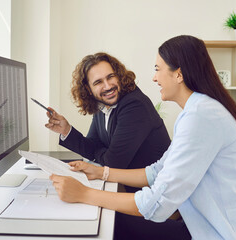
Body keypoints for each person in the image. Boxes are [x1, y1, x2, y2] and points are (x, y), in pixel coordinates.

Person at [49, 35, 236, 240]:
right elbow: (157, 171)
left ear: (178, 74)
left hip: (221, 232)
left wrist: (84, 194)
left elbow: (156, 204)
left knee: (109, 224)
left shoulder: (201, 117)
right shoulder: (196, 112)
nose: (154, 78)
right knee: (109, 219)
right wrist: (101, 172)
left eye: (157, 69)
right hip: (202, 221)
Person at [45, 52, 171, 190]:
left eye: (110, 77)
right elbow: (92, 147)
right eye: (98, 82)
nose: (108, 86)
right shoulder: (102, 104)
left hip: (152, 193)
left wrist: (100, 153)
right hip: (126, 188)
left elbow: (112, 164)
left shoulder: (134, 105)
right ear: (88, 89)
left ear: (118, 75)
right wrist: (66, 130)